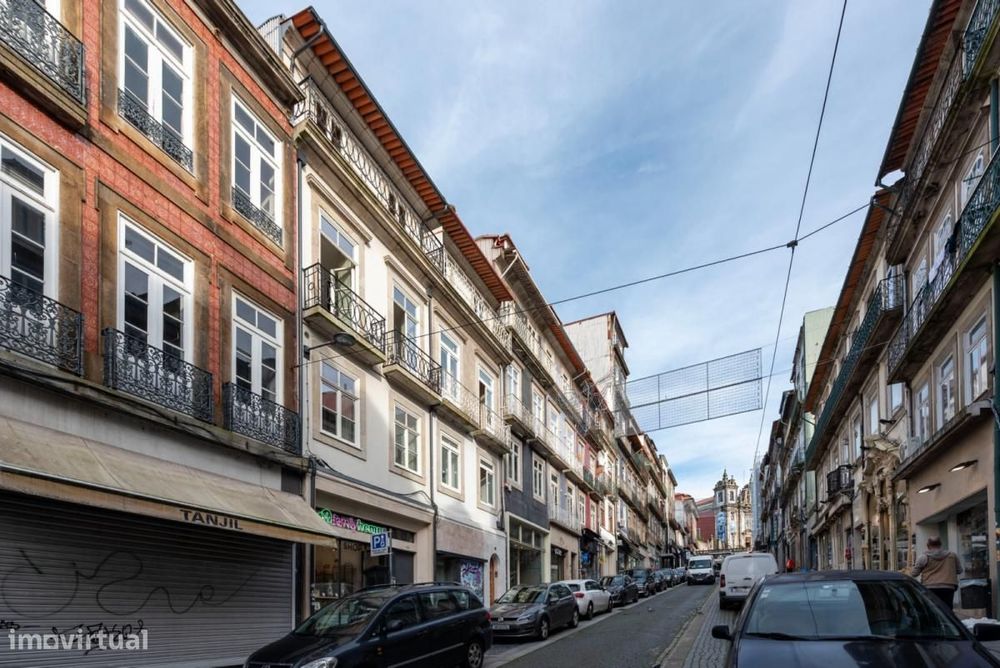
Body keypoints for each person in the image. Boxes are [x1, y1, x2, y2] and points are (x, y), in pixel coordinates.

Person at [910, 536, 963, 608]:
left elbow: (914, 574)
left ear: (928, 546)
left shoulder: (923, 557)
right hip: (948, 587)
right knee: (947, 609)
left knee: (933, 609)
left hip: (930, 587)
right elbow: (959, 571)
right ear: (940, 545)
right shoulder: (952, 556)